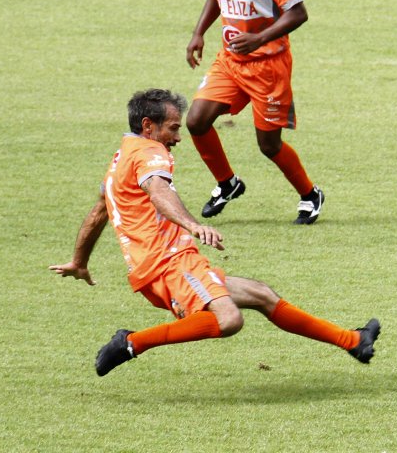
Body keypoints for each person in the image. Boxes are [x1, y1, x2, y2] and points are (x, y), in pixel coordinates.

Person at [49, 89, 379, 376]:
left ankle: (353, 342)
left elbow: (99, 211)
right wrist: (193, 224)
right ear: (148, 126)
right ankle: (131, 343)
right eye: (173, 129)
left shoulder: (123, 156)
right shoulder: (151, 153)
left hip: (166, 264)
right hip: (169, 264)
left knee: (261, 294)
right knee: (229, 319)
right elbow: (158, 192)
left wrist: (79, 261)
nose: (178, 138)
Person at [185, 0, 323, 224]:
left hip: (268, 68)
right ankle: (227, 183)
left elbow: (299, 13)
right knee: (196, 121)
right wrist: (198, 33)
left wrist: (259, 38)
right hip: (231, 62)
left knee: (268, 145)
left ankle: (310, 194)